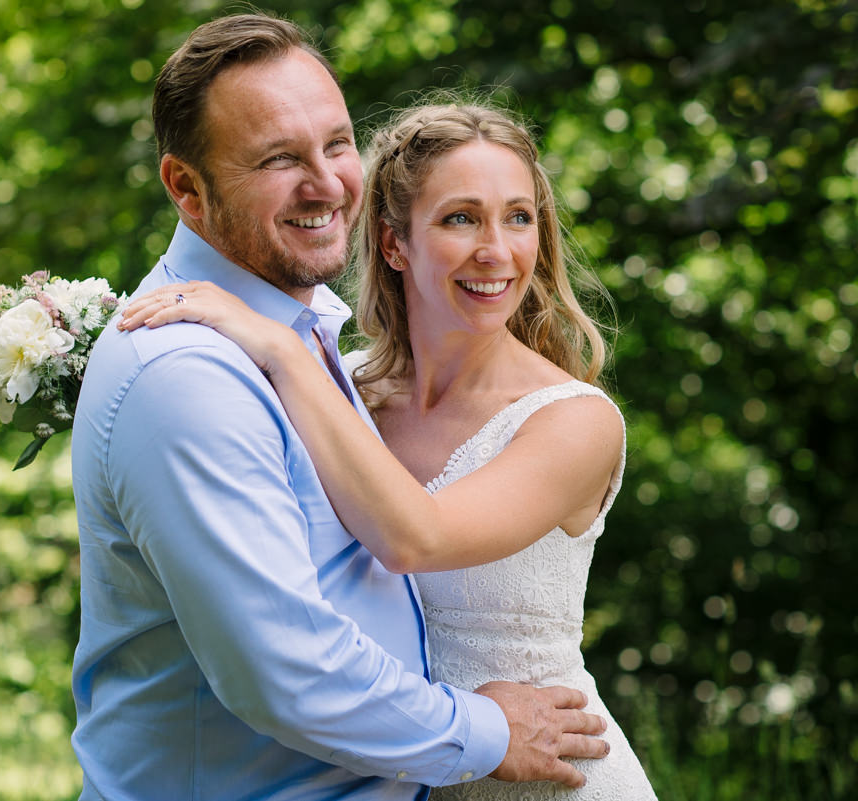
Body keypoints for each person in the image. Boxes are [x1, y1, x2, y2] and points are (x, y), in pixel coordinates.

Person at [71, 14, 608, 801]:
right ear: (186, 187)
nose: (324, 182)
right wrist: (486, 732)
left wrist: (288, 351)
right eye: (279, 158)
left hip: (535, 762)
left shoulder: (307, 344)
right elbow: (288, 670)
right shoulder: (191, 374)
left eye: (334, 144)